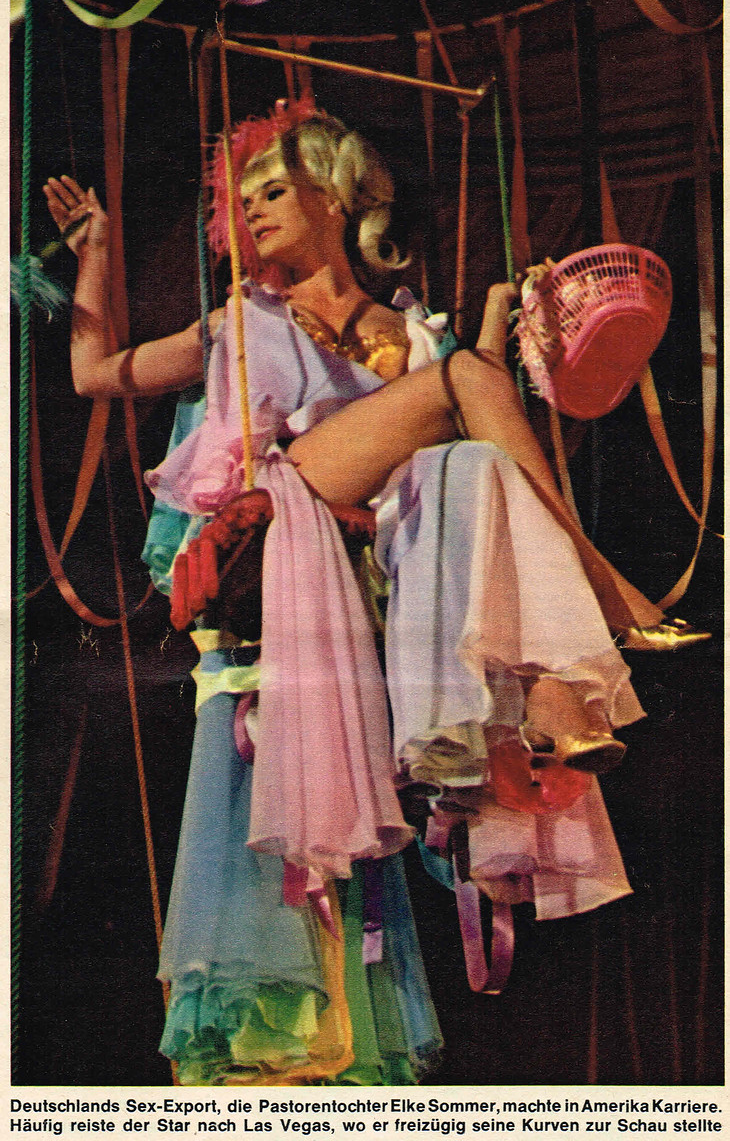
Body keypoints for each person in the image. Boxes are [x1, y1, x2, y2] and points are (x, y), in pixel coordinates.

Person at [43, 101, 704, 1085]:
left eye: (275, 189)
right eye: (243, 199)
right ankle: (611, 598)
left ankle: (554, 698)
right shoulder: (245, 320)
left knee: (469, 455)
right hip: (285, 515)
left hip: (380, 569)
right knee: (462, 388)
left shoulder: (415, 332)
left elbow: (486, 452)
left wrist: (510, 313)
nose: (252, 211)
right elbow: (96, 373)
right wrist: (95, 253)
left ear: (337, 194)